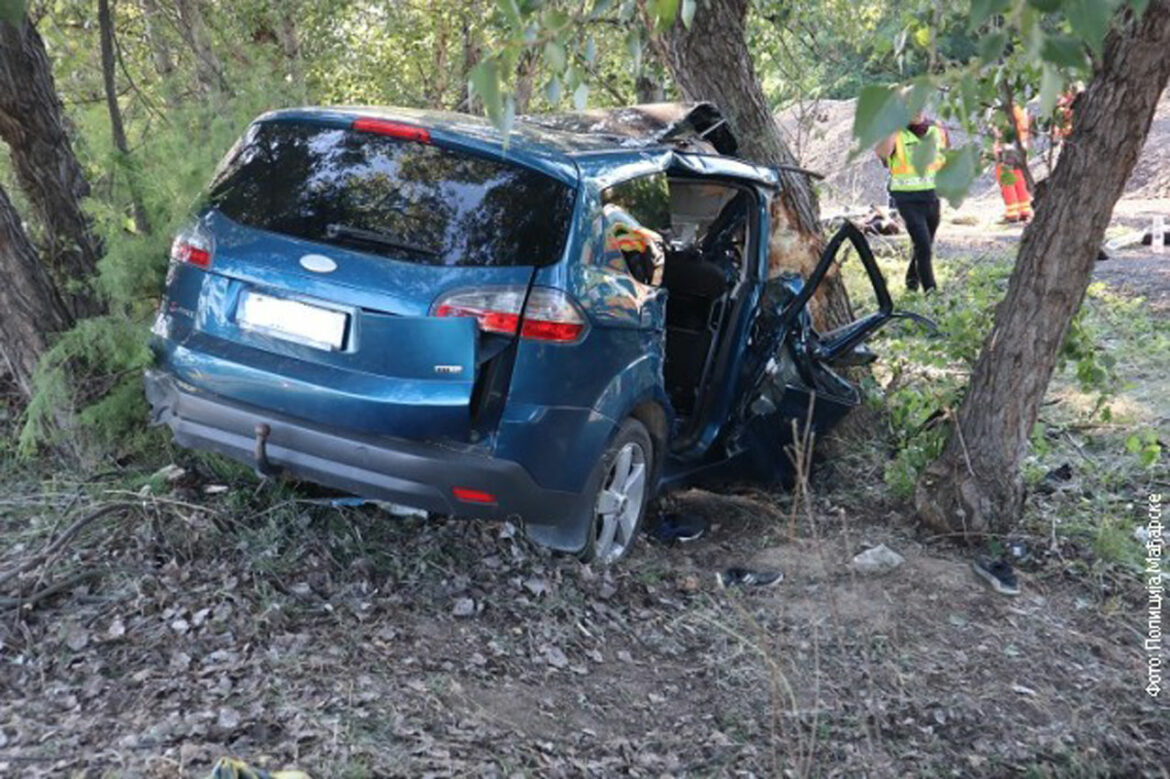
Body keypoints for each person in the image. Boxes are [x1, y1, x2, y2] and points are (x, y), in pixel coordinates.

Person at [874, 108, 949, 292]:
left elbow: (945, 157)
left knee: (924, 245)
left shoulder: (937, 129)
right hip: (907, 199)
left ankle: (911, 281)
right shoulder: (895, 132)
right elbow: (882, 153)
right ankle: (931, 293)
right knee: (923, 246)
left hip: (932, 197)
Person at [993, 103, 1033, 223]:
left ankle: (1012, 213)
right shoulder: (1021, 111)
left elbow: (1000, 133)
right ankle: (1024, 210)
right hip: (1021, 148)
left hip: (1007, 149)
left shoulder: (1004, 113)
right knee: (1019, 178)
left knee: (1006, 178)